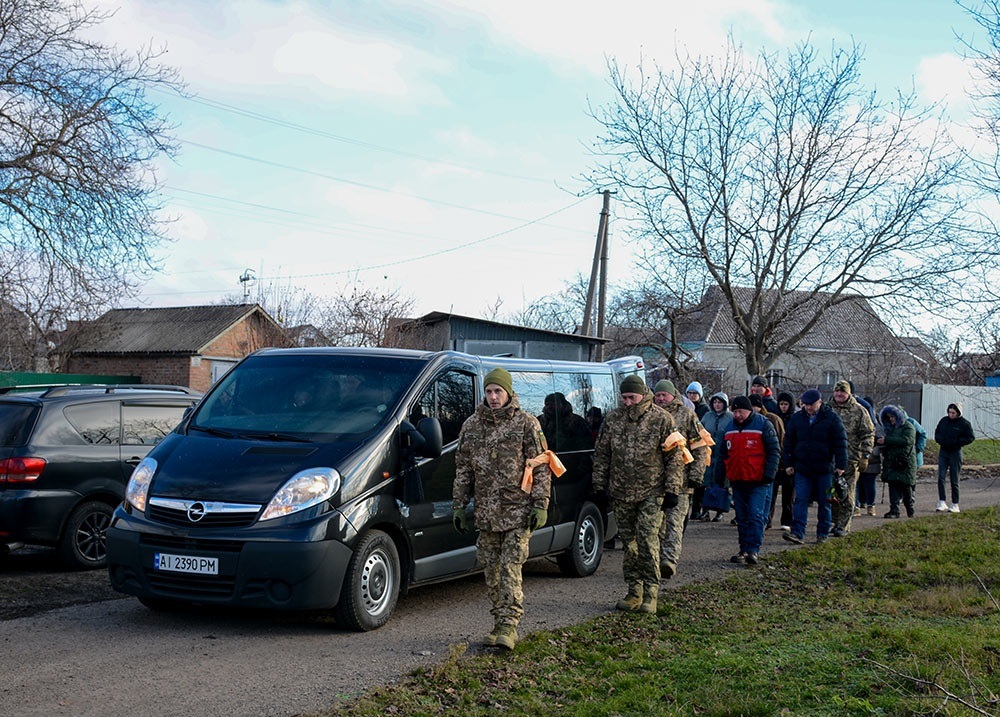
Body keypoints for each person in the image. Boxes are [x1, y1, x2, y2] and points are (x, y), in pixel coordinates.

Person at [452, 367, 551, 650]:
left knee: (510, 567)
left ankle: (509, 625)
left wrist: (541, 503)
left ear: (508, 392)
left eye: (498, 391)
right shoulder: (472, 426)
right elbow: (462, 470)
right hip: (486, 513)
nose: (493, 397)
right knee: (491, 570)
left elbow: (541, 465)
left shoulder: (526, 424)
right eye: (489, 391)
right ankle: (498, 622)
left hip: (517, 510)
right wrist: (459, 505)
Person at [592, 375, 684, 614]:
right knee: (629, 544)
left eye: (632, 397)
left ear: (643, 394)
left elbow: (675, 457)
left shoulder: (662, 419)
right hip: (621, 492)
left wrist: (673, 489)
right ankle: (634, 590)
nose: (628, 402)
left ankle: (651, 592)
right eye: (624, 398)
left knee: (647, 540)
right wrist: (599, 486)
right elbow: (602, 454)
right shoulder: (613, 419)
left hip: (651, 491)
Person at [652, 380, 708, 580]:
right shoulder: (650, 415)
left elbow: (701, 445)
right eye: (657, 395)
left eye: (663, 395)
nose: (660, 399)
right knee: (658, 524)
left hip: (681, 481)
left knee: (675, 522)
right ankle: (655, 560)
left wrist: (696, 474)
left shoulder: (687, 415)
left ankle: (669, 560)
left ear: (672, 395)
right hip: (654, 481)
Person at [717, 395, 780, 565]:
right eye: (735, 411)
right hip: (738, 480)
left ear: (749, 410)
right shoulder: (729, 428)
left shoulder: (763, 424)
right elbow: (723, 455)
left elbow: (774, 451)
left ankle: (753, 549)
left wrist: (769, 473)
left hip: (759, 480)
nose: (737, 415)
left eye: (741, 411)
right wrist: (719, 477)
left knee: (755, 514)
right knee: (742, 517)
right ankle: (743, 549)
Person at [781, 388, 848, 545]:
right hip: (803, 468)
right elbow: (789, 442)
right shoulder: (797, 419)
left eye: (811, 404)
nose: (809, 408)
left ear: (820, 402)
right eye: (806, 405)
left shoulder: (832, 419)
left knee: (826, 501)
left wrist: (840, 465)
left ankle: (822, 533)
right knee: (801, 500)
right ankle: (797, 533)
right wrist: (789, 463)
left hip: (825, 469)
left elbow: (841, 443)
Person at [828, 380, 875, 536]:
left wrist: (865, 455)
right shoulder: (827, 409)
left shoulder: (859, 411)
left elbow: (868, 433)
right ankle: (835, 522)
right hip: (829, 458)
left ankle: (844, 526)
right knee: (832, 493)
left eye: (843, 392)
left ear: (849, 393)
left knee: (847, 493)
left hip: (851, 458)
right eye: (837, 391)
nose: (839, 394)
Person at [748, 394, 785, 530]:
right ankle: (760, 520)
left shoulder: (771, 419)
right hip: (754, 463)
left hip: (770, 461)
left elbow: (780, 441)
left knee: (769, 493)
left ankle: (765, 519)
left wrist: (779, 461)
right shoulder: (749, 421)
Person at [933, 403, 975, 513]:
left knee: (954, 479)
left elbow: (970, 437)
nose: (950, 414)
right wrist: (939, 440)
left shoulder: (964, 424)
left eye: (953, 413)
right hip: (943, 451)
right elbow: (937, 432)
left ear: (958, 413)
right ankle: (942, 501)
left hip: (955, 453)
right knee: (941, 477)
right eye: (949, 412)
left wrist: (957, 442)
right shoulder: (944, 421)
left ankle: (955, 503)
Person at [698, 392, 733, 522]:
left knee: (723, 484)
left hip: (723, 455)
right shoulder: (707, 417)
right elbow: (700, 431)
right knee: (706, 483)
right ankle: (705, 510)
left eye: (720, 402)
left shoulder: (730, 417)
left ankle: (720, 511)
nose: (717, 405)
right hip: (708, 455)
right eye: (715, 402)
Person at [877, 405, 916, 518]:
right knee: (892, 484)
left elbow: (907, 440)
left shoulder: (908, 427)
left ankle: (909, 507)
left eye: (893, 417)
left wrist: (887, 440)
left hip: (905, 462)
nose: (891, 419)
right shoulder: (890, 429)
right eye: (889, 417)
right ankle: (894, 509)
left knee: (905, 486)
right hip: (892, 461)